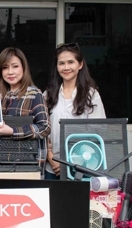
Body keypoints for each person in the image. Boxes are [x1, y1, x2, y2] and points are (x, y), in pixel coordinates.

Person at [44, 43, 106, 180]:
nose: (66, 67)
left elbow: (97, 133)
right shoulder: (48, 95)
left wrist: (72, 162)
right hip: (53, 167)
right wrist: (51, 158)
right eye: (61, 63)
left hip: (82, 167)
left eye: (71, 62)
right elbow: (42, 131)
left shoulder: (91, 95)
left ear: (80, 64)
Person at [0, 47, 51, 172]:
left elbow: (44, 127)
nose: (10, 72)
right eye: (5, 67)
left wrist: (13, 131)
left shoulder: (34, 94)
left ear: (24, 68)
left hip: (29, 163)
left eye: (15, 66)